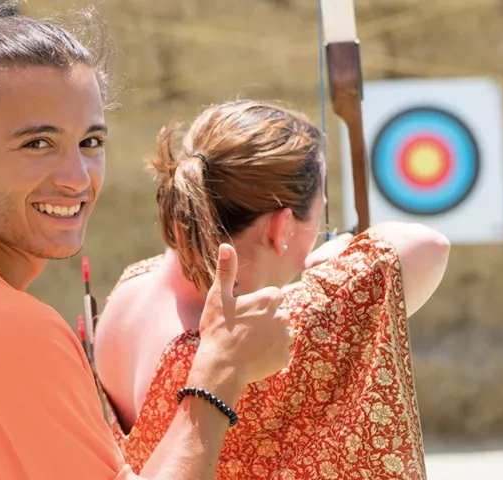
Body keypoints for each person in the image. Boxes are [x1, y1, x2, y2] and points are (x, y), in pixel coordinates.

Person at [0, 6, 294, 479]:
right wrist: (220, 371)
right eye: (37, 144)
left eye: (90, 142)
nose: (77, 178)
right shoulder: (13, 333)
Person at [93, 99, 451, 479]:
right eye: (319, 213)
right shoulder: (261, 339)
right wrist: (347, 255)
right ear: (281, 228)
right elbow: (430, 247)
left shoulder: (130, 290)